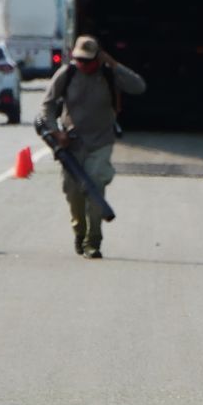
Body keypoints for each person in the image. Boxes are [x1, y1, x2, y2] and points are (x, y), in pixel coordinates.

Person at [40, 35, 145, 258]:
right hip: (72, 144)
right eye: (80, 60)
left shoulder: (108, 74)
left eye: (89, 60)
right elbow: (47, 106)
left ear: (99, 57)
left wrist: (114, 65)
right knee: (73, 193)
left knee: (95, 186)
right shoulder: (67, 74)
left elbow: (139, 87)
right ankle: (80, 232)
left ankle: (93, 242)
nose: (84, 65)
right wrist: (56, 132)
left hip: (100, 141)